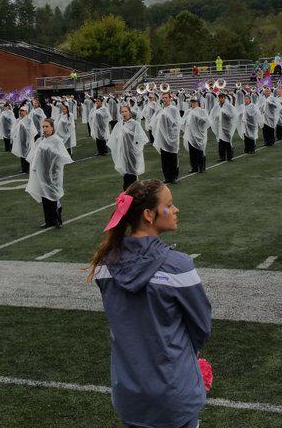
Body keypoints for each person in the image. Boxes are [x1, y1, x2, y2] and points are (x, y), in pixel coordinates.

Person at [88, 180, 211, 428]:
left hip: (129, 394)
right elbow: (201, 328)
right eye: (169, 205)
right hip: (173, 393)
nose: (176, 209)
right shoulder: (179, 267)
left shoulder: (104, 267)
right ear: (148, 215)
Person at [26, 118, 74, 229]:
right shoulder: (40, 140)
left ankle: (57, 220)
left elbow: (63, 157)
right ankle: (49, 221)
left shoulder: (56, 140)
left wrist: (54, 171)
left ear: (52, 127)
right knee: (44, 197)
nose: (44, 129)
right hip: (41, 173)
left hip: (52, 174)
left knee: (53, 197)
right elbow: (34, 156)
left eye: (47, 126)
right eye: (43, 127)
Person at [107, 104, 148, 190]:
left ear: (129, 112)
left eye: (126, 111)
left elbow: (141, 138)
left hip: (131, 152)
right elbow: (113, 138)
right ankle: (126, 191)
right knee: (125, 172)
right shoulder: (119, 124)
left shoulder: (135, 124)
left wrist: (129, 135)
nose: (124, 113)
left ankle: (132, 191)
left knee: (132, 173)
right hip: (122, 152)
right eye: (122, 112)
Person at [150, 93, 181, 184]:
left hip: (171, 137)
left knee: (172, 157)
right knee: (164, 158)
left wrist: (172, 135)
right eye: (163, 98)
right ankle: (167, 177)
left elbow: (176, 122)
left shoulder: (173, 109)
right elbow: (156, 121)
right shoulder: (160, 110)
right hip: (162, 138)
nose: (164, 99)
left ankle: (174, 177)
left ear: (170, 99)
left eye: (166, 98)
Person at [182, 98, 209, 173]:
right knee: (192, 153)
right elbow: (184, 120)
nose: (193, 104)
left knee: (200, 151)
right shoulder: (189, 111)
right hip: (190, 135)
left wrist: (198, 116)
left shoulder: (202, 111)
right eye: (192, 102)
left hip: (199, 135)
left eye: (194, 102)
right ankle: (194, 167)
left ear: (198, 103)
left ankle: (201, 168)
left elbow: (205, 121)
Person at [211, 93, 237, 162]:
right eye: (219, 98)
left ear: (224, 98)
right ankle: (222, 157)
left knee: (227, 142)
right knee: (221, 143)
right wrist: (217, 115)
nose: (220, 99)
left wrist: (225, 113)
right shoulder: (217, 106)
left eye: (221, 98)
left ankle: (229, 157)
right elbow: (213, 114)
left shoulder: (229, 106)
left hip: (227, 127)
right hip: (220, 127)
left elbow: (232, 115)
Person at [11, 106, 36, 173]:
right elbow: (14, 129)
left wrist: (30, 139)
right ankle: (23, 169)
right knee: (22, 154)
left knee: (28, 154)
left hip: (27, 139)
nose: (21, 112)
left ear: (26, 112)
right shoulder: (18, 120)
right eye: (21, 111)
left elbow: (32, 131)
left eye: (23, 111)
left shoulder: (29, 120)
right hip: (20, 140)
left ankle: (28, 169)